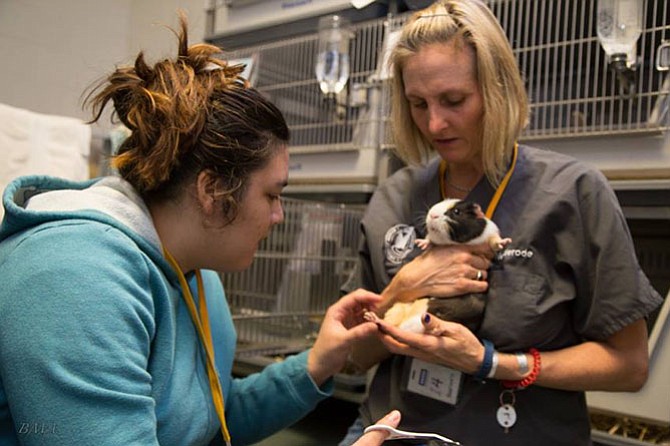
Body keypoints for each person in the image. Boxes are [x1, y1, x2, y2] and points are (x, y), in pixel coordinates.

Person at [0, 14, 399, 446]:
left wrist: (317, 362)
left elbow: (210, 419)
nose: (279, 215)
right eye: (271, 195)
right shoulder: (74, 278)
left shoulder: (194, 272)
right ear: (213, 191)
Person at [339, 1, 664, 445]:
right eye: (418, 104)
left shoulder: (572, 193)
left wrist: (493, 363)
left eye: (455, 101)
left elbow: (629, 366)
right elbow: (353, 355)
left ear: (497, 90)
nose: (435, 123)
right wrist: (405, 288)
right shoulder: (395, 198)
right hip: (393, 431)